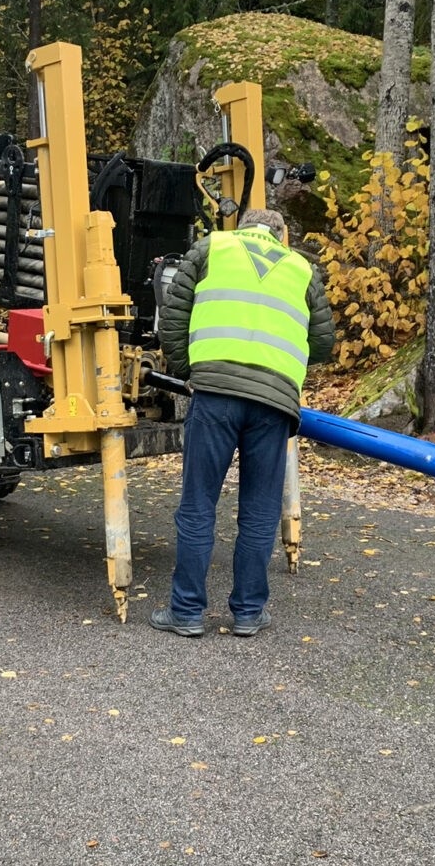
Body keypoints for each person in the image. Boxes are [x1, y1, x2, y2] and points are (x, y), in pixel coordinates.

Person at [152, 207, 336, 637]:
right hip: (273, 404)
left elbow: (173, 315)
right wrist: (282, 364)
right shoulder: (302, 269)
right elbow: (323, 343)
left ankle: (186, 612)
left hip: (215, 395)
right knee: (259, 511)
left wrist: (187, 370)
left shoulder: (211, 248)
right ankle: (249, 612)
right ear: (280, 234)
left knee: (198, 505)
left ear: (242, 227)